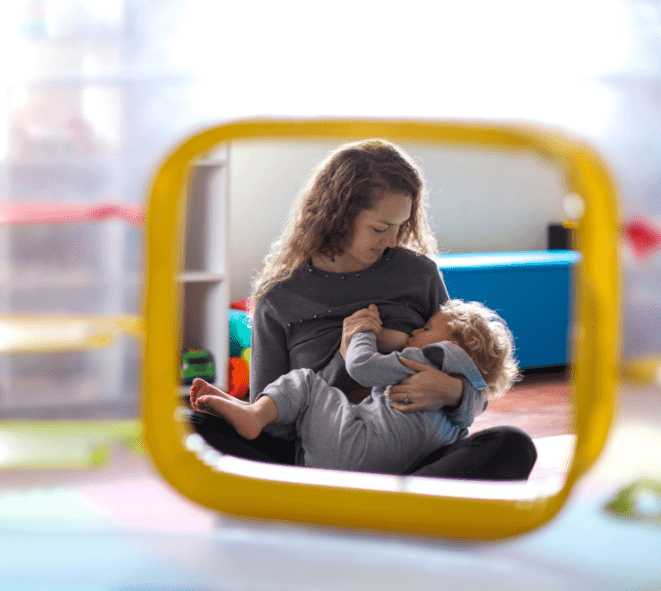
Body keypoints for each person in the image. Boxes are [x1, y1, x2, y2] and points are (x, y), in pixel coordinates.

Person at [189, 139, 537, 480]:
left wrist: (453, 391)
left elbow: (471, 372)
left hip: (416, 450)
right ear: (338, 216)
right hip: (326, 456)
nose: (392, 240)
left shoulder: (419, 275)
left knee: (513, 445)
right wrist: (344, 359)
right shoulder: (280, 297)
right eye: (380, 227)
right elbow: (271, 425)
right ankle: (400, 511)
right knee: (191, 427)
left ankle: (351, 512)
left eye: (401, 226)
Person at [190, 300, 520, 475]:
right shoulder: (463, 406)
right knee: (189, 421)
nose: (415, 331)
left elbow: (362, 367)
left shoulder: (432, 356)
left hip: (349, 447)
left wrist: (363, 333)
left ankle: (255, 413)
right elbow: (476, 403)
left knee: (306, 382)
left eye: (426, 327)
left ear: (454, 346)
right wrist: (462, 393)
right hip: (388, 467)